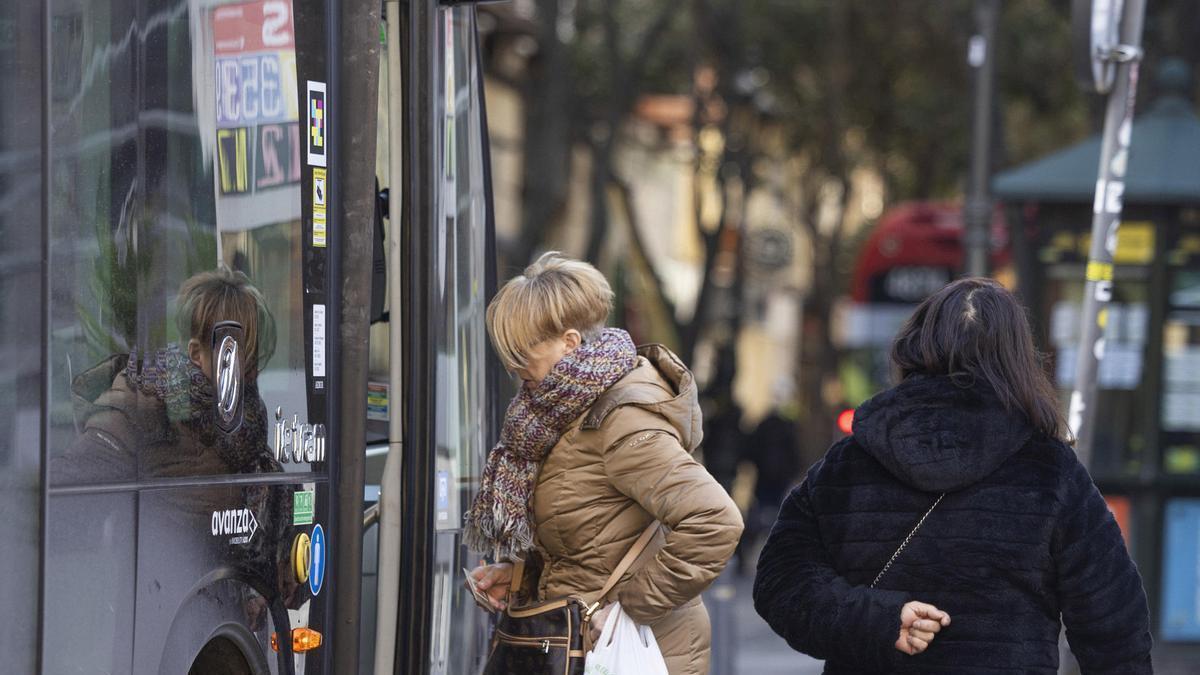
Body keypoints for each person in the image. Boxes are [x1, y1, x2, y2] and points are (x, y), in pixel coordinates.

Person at [753, 277, 1153, 673]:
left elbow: (780, 583)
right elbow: (1114, 627)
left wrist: (875, 619)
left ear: (915, 346)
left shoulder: (848, 464)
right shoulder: (1051, 472)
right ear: (1016, 358)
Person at [465, 252, 743, 675]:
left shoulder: (620, 420)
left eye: (523, 352)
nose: (512, 365)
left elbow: (715, 520)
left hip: (630, 652)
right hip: (583, 645)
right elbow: (591, 540)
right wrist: (522, 576)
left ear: (570, 343)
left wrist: (633, 606)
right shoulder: (557, 416)